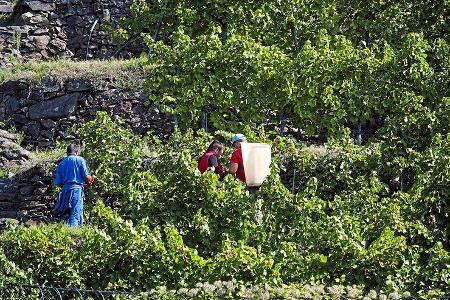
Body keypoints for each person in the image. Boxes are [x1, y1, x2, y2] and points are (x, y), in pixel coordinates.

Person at [53, 144, 96, 226]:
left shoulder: (62, 163)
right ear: (76, 152)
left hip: (65, 190)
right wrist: (92, 178)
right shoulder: (80, 160)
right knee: (75, 213)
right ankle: (74, 234)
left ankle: (63, 231)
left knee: (65, 213)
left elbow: (58, 182)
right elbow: (87, 178)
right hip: (76, 190)